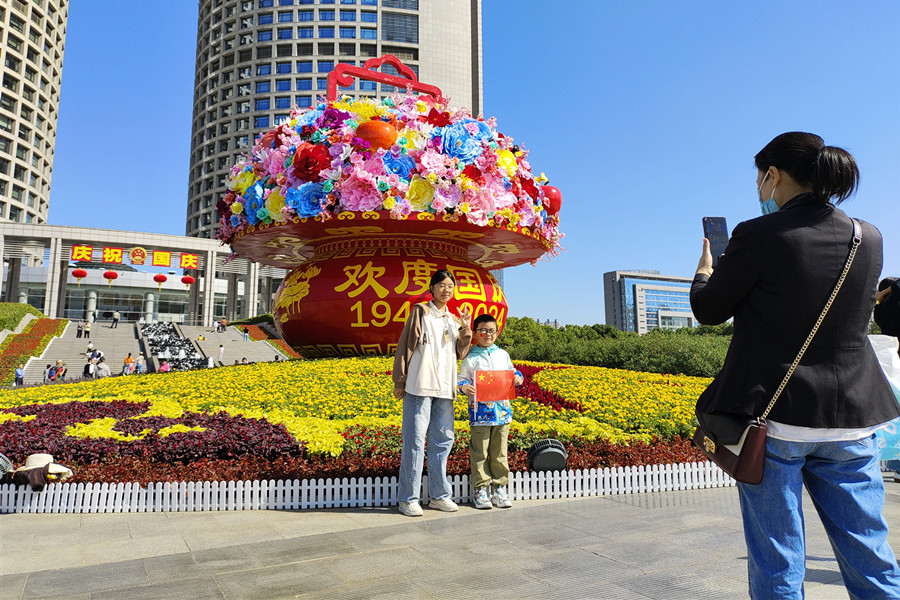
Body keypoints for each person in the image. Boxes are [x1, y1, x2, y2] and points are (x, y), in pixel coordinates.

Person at [690, 132, 900, 598]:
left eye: (760, 178)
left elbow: (709, 310)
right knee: (870, 555)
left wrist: (705, 271)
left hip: (777, 420)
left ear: (773, 174)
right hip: (851, 420)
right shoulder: (868, 237)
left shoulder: (756, 235)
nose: (759, 189)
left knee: (779, 562)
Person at [392, 269, 472, 517]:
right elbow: (405, 346)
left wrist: (466, 329)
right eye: (442, 285)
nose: (446, 290)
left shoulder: (453, 319)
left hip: (445, 389)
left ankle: (439, 496)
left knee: (442, 441)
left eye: (450, 286)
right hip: (420, 386)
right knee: (415, 441)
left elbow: (461, 353)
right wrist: (400, 380)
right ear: (432, 288)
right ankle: (408, 499)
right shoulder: (421, 312)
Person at [458, 314, 523, 510]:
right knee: (479, 452)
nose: (488, 334)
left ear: (497, 332)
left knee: (500, 453)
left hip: (502, 413)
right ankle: (480, 490)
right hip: (479, 414)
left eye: (492, 331)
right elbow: (461, 378)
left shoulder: (502, 354)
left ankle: (499, 489)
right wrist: (464, 387)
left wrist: (518, 378)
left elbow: (513, 371)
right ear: (475, 333)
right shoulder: (471, 357)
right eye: (483, 330)